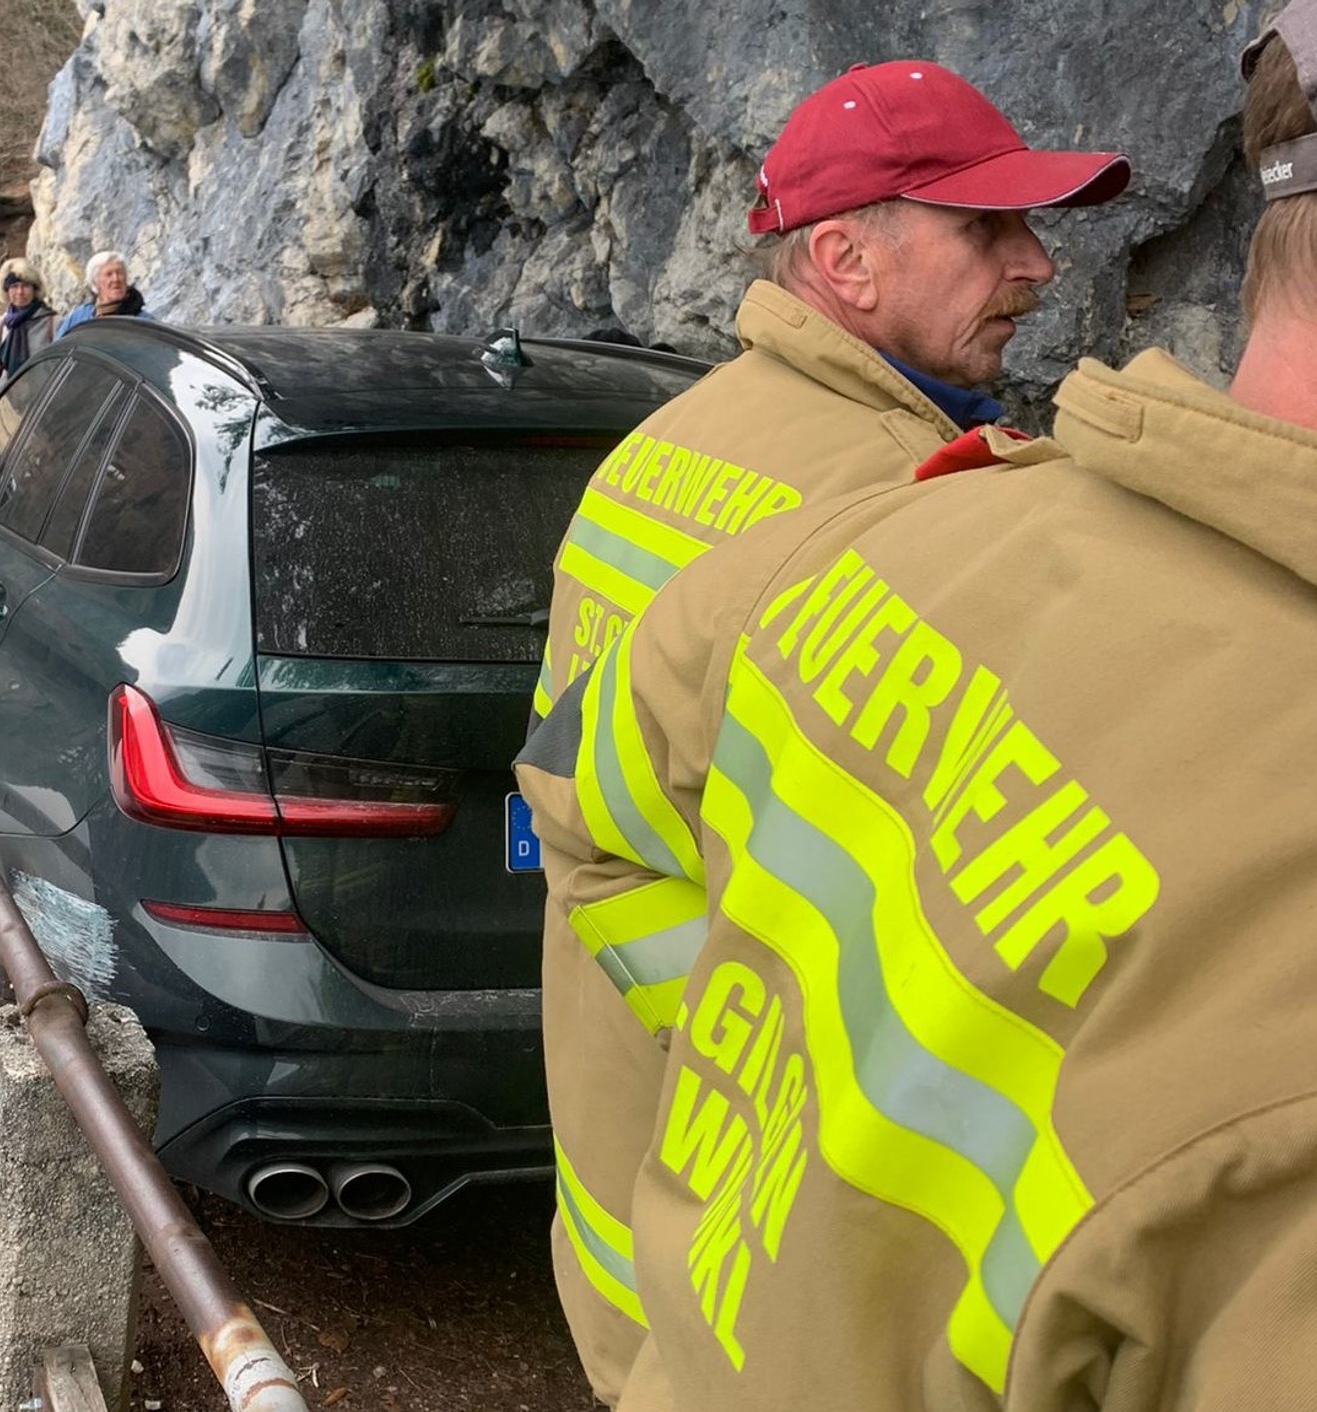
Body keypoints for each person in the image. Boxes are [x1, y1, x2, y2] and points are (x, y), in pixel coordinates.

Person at [517, 6, 1317, 1406]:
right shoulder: (882, 496)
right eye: (988, 232)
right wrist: (760, 1018)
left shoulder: (665, 443)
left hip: (663, 1219)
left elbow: (569, 794)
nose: (1038, 265)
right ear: (842, 257)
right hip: (755, 1241)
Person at [0, 258, 59, 416]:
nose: (20, 292)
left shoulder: (52, 322)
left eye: (26, 286)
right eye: (14, 286)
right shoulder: (1, 325)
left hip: (41, 409)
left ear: (35, 289)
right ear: (6, 290)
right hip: (4, 406)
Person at [55, 249, 152, 335]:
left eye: (120, 273)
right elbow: (58, 348)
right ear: (95, 282)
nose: (116, 279)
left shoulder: (143, 322)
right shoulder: (80, 316)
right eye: (109, 274)